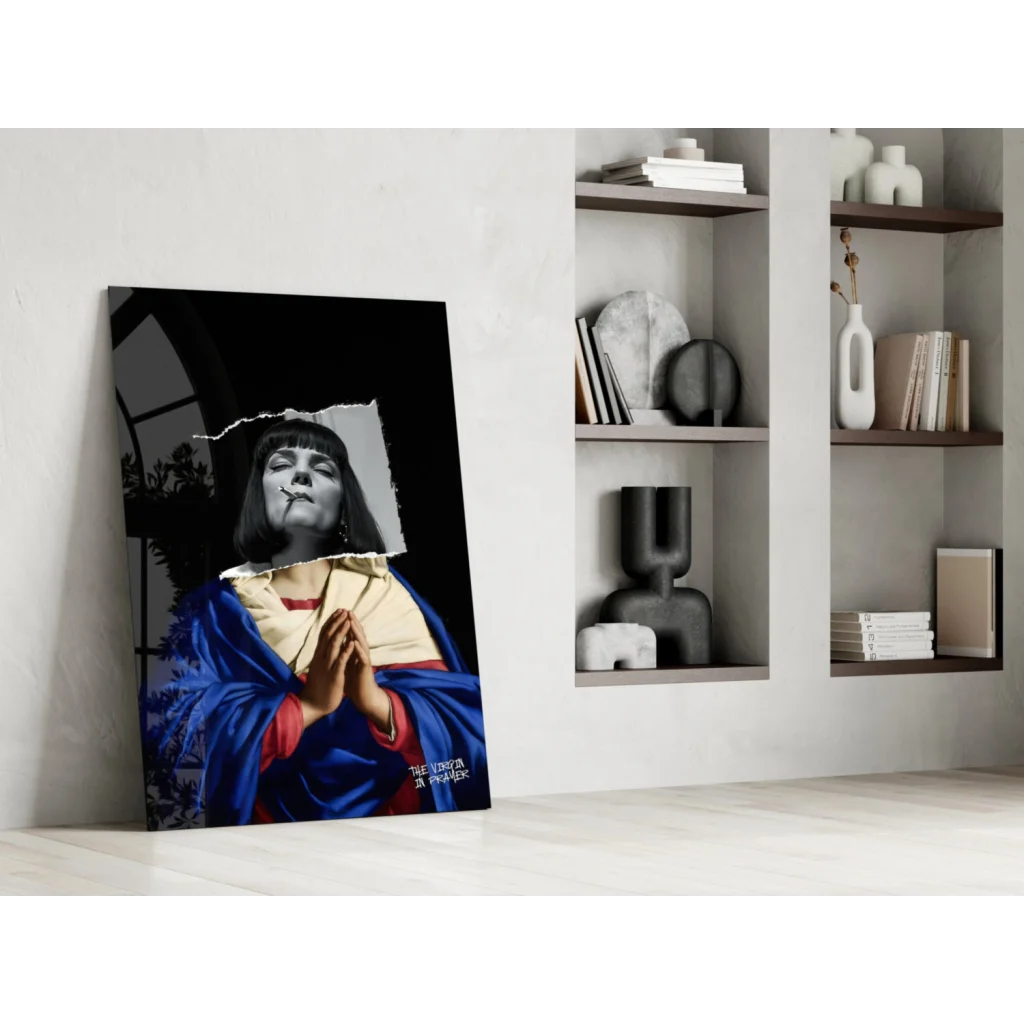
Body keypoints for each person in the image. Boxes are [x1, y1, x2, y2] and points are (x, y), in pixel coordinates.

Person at [142, 417, 489, 829]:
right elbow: (174, 737)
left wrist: (379, 703)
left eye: (323, 470)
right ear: (260, 492)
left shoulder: (385, 595)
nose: (301, 475)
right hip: (260, 838)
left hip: (396, 831)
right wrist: (307, 707)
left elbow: (463, 731)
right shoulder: (213, 612)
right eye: (281, 465)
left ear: (345, 500)